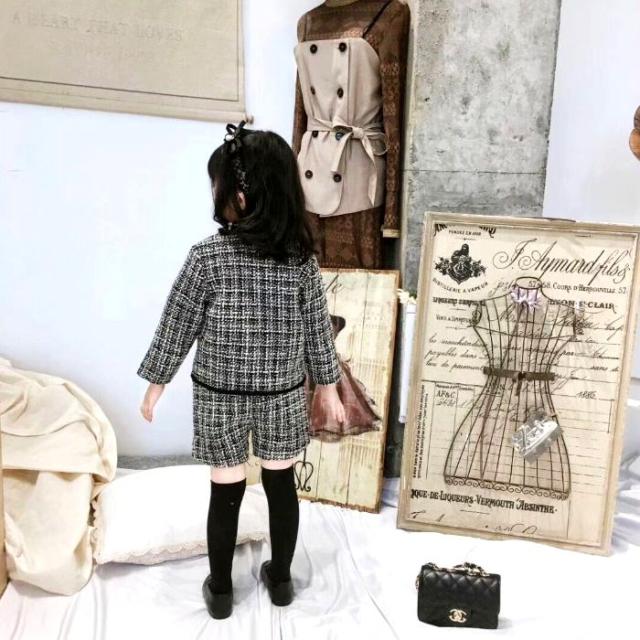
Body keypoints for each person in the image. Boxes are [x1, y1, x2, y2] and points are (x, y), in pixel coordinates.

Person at [136, 122, 345, 620]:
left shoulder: (207, 257)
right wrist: (328, 387)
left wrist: (156, 382)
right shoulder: (300, 262)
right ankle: (281, 578)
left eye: (218, 186)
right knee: (281, 483)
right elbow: (318, 330)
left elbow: (178, 323)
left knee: (225, 489)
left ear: (242, 197)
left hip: (219, 394)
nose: (214, 194)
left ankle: (222, 588)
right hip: (280, 394)